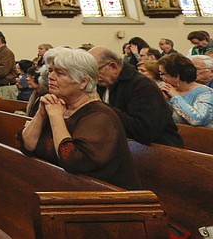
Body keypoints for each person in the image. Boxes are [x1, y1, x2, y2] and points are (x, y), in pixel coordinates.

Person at [18, 48, 141, 190]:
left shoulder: (100, 117)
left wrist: (56, 117)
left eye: (60, 73)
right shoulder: (55, 106)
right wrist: (41, 114)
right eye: (51, 70)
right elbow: (27, 145)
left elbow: (71, 160)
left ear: (83, 82)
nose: (50, 77)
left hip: (107, 199)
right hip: (62, 190)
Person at [89, 46, 182, 147]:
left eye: (96, 71)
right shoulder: (103, 84)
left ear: (113, 66)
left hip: (158, 150)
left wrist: (102, 107)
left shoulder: (143, 86)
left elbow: (144, 131)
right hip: (123, 146)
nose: (93, 77)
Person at [158, 53, 213, 127]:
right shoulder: (165, 90)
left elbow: (198, 120)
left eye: (163, 74)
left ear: (176, 76)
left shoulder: (206, 93)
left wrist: (175, 97)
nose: (161, 77)